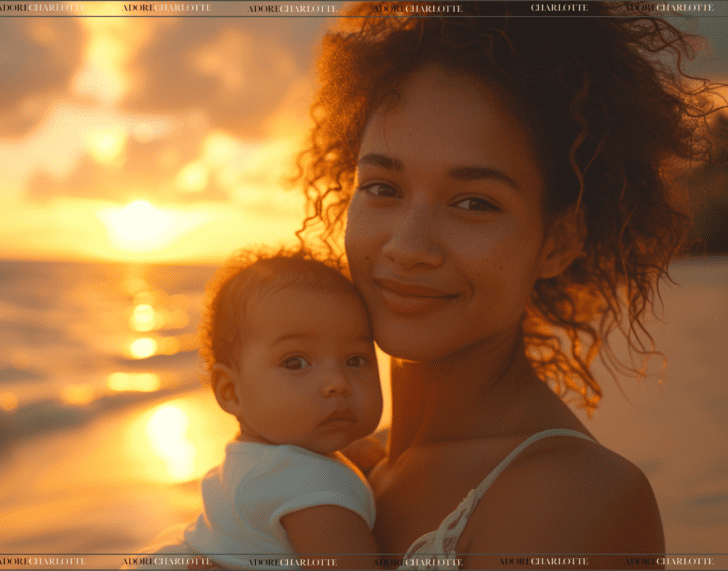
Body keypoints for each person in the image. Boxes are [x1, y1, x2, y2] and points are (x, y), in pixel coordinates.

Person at [292, 2, 723, 569]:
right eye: (382, 187)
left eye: (475, 202)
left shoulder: (577, 499)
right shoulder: (343, 465)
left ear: (558, 241)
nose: (408, 246)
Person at [133, 249, 384, 570]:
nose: (337, 382)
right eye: (296, 362)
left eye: (355, 360)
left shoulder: (252, 461)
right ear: (230, 390)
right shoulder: (315, 493)